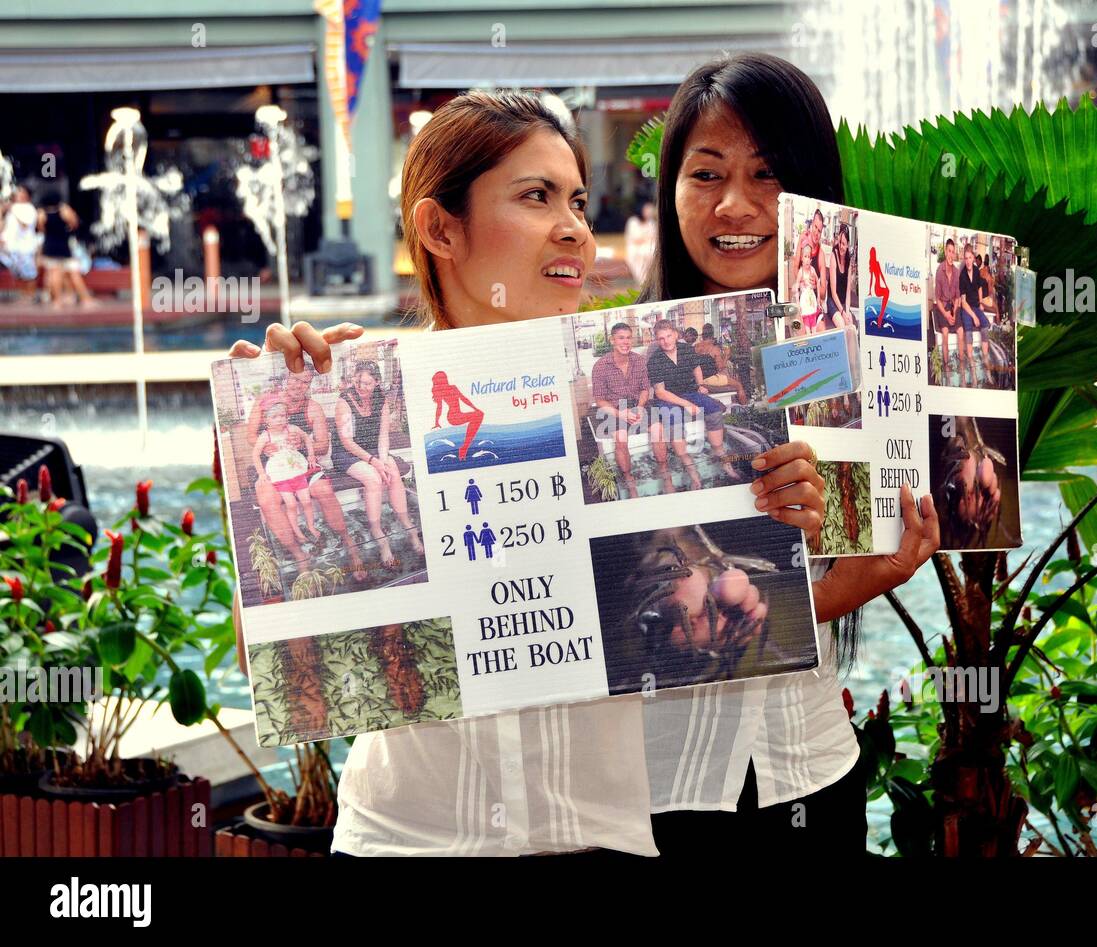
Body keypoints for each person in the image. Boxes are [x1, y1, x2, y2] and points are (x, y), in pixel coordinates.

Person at [228, 88, 828, 857]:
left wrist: (782, 518)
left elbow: (700, 628)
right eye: (536, 196)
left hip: (602, 838)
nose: (574, 227)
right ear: (441, 228)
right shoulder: (360, 396)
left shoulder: (629, 403)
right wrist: (242, 478)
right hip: (406, 840)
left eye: (577, 200)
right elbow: (284, 668)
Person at [638, 52, 940, 856]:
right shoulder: (619, 365)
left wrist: (874, 568)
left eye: (769, 174)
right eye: (707, 174)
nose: (735, 204)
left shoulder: (841, 355)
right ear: (672, 193)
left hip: (806, 772)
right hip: (648, 792)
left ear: (811, 190)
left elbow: (825, 587)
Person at [244, 364, 366, 581]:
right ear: (286, 377)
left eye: (305, 382)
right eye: (295, 379)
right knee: (267, 501)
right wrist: (266, 446)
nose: (298, 385)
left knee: (324, 490)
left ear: (310, 384)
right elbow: (251, 436)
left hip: (301, 465)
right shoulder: (265, 402)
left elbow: (322, 445)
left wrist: (301, 442)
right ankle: (300, 556)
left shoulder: (312, 408)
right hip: (272, 466)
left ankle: (350, 544)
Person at [331, 358, 424, 570]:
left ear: (376, 383)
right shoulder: (344, 401)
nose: (361, 387)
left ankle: (407, 525)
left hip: (373, 450)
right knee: (373, 478)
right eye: (358, 381)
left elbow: (383, 436)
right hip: (347, 453)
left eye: (367, 383)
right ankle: (378, 534)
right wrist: (374, 462)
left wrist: (382, 460)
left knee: (391, 468)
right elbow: (346, 441)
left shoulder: (381, 401)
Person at [646, 318, 742, 491]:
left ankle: (720, 454)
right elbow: (660, 392)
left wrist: (700, 385)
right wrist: (687, 404)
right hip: (668, 398)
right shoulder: (655, 360)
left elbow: (696, 367)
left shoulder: (686, 349)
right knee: (673, 416)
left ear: (676, 334)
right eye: (661, 338)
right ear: (656, 340)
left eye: (668, 336)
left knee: (713, 408)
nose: (666, 341)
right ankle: (690, 468)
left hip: (691, 391)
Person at [590, 321, 660, 498]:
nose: (625, 342)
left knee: (658, 430)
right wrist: (620, 413)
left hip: (638, 404)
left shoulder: (639, 360)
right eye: (621, 338)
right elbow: (599, 399)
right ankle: (630, 481)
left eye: (628, 338)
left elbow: (645, 389)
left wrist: (639, 407)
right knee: (620, 439)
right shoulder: (600, 366)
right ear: (612, 340)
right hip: (615, 408)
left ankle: (664, 471)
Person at [254, 399, 321, 544]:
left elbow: (307, 439)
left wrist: (311, 454)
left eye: (282, 416)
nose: (279, 420)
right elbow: (255, 454)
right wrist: (261, 473)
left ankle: (311, 526)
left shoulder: (292, 428)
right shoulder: (266, 436)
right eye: (274, 417)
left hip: (297, 471)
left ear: (287, 417)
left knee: (307, 501)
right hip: (281, 476)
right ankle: (297, 531)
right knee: (291, 504)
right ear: (266, 420)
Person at [36, 192, 95, 308]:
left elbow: (41, 229)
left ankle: (57, 302)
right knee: (74, 272)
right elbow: (75, 224)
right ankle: (86, 299)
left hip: (50, 245)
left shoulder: (41, 213)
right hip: (63, 244)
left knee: (54, 273)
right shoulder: (65, 211)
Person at [958, 244, 993, 387]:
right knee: (968, 332)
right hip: (966, 308)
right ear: (964, 259)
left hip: (975, 305)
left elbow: (979, 287)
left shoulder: (977, 271)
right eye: (965, 258)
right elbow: (963, 302)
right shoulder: (962, 276)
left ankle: (987, 371)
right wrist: (974, 316)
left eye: (970, 257)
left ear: (973, 258)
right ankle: (973, 375)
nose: (967, 261)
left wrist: (980, 304)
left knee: (985, 325)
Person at [430, 370, 484, 460]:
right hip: (452, 417)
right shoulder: (442, 391)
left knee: (479, 415)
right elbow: (439, 407)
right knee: (478, 415)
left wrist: (475, 408)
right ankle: (464, 448)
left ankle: (464, 448)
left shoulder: (453, 387)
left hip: (459, 414)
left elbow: (464, 399)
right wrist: (436, 422)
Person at [0, 186, 40, 301]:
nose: (18, 194)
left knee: (29, 274)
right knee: (18, 273)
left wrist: (13, 211)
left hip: (25, 247)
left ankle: (30, 295)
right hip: (11, 247)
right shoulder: (12, 208)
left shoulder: (29, 208)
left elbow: (25, 225)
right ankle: (23, 295)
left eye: (21, 192)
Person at [694, 322, 748, 404]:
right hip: (711, 379)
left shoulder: (696, 347)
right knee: (739, 385)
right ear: (712, 334)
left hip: (699, 380)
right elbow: (720, 367)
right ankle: (746, 409)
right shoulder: (714, 349)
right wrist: (726, 356)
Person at [932, 237, 962, 374]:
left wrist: (954, 313)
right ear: (945, 251)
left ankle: (962, 364)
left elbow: (957, 297)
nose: (951, 255)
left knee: (961, 331)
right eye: (949, 251)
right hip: (942, 307)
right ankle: (946, 365)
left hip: (952, 307)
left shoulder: (956, 272)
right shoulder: (939, 271)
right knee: (944, 332)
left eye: (953, 252)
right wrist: (946, 314)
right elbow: (937, 299)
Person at [825, 222, 853, 329]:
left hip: (843, 301)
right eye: (840, 243)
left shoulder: (848, 261)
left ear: (848, 244)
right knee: (842, 325)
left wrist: (847, 310)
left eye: (844, 244)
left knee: (850, 325)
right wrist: (842, 312)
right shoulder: (834, 255)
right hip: (833, 300)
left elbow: (848, 292)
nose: (841, 246)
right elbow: (833, 291)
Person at [624, 200, 657, 284]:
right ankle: (642, 280)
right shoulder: (633, 221)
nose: (649, 212)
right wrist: (646, 239)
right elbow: (635, 239)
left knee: (652, 251)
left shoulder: (651, 223)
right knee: (642, 253)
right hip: (635, 247)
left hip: (648, 246)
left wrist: (647, 240)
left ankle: (651, 280)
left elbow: (654, 237)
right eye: (647, 210)